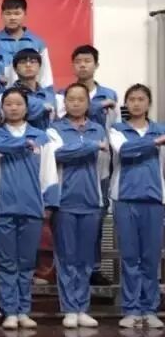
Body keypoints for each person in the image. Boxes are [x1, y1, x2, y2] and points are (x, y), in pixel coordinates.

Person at [0, 88, 60, 330]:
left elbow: (49, 173)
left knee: (26, 263)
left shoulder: (41, 137)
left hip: (32, 208)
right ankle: (9, 311)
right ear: (2, 108)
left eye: (18, 104)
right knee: (6, 263)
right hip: (3, 208)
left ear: (27, 108)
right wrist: (23, 144)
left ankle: (23, 310)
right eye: (8, 104)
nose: (14, 108)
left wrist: (49, 203)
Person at [47, 84, 109, 328]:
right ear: (65, 103)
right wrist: (90, 146)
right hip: (64, 201)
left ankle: (82, 307)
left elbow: (103, 167)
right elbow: (59, 154)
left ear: (87, 102)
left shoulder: (98, 129)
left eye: (80, 99)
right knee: (67, 258)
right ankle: (69, 308)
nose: (75, 103)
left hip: (91, 200)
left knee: (85, 259)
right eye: (71, 99)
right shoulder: (55, 129)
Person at [108, 84, 165, 329]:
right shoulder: (117, 130)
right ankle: (130, 309)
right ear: (126, 103)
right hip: (125, 198)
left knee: (151, 258)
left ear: (148, 103)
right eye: (131, 99)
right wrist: (156, 143)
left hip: (154, 199)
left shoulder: (160, 129)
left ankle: (149, 309)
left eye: (141, 99)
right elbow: (125, 151)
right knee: (130, 257)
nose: (136, 103)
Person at [66, 44, 116, 287]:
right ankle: (70, 269)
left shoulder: (110, 95)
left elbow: (115, 129)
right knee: (68, 223)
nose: (83, 65)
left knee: (97, 218)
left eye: (87, 61)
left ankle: (94, 267)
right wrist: (97, 107)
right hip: (72, 166)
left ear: (96, 65)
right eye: (78, 61)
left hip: (101, 165)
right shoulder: (65, 94)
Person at [0, 0, 53, 87]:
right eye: (8, 13)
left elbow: (45, 76)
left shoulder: (37, 42)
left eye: (17, 13)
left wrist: (46, 93)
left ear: (25, 14)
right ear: (2, 14)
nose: (12, 17)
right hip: (1, 93)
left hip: (29, 93)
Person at [10, 49, 56, 130]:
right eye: (23, 62)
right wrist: (43, 106)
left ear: (39, 67)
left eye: (33, 62)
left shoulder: (50, 95)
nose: (28, 65)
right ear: (15, 69)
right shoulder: (8, 95)